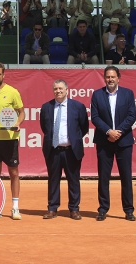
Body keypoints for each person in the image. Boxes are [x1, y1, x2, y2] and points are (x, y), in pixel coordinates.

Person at [91, 66, 136, 222]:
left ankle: (129, 210)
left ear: (118, 77)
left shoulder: (128, 94)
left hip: (124, 141)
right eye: (107, 77)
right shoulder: (97, 95)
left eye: (113, 77)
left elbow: (131, 116)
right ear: (104, 78)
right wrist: (109, 131)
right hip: (104, 141)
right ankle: (103, 209)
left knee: (126, 177)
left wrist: (118, 132)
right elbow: (95, 117)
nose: (110, 79)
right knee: (103, 177)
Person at [40, 80, 89, 220]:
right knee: (53, 179)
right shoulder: (46, 107)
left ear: (67, 90)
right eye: (55, 89)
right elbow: (45, 127)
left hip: (71, 150)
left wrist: (73, 140)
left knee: (73, 180)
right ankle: (52, 208)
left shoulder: (78, 106)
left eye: (61, 88)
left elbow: (83, 127)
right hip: (53, 149)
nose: (58, 91)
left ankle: (74, 209)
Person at [0, 62, 25, 220]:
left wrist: (16, 124)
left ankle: (15, 207)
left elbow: (21, 113)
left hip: (10, 139)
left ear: (4, 75)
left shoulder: (13, 92)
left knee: (14, 172)